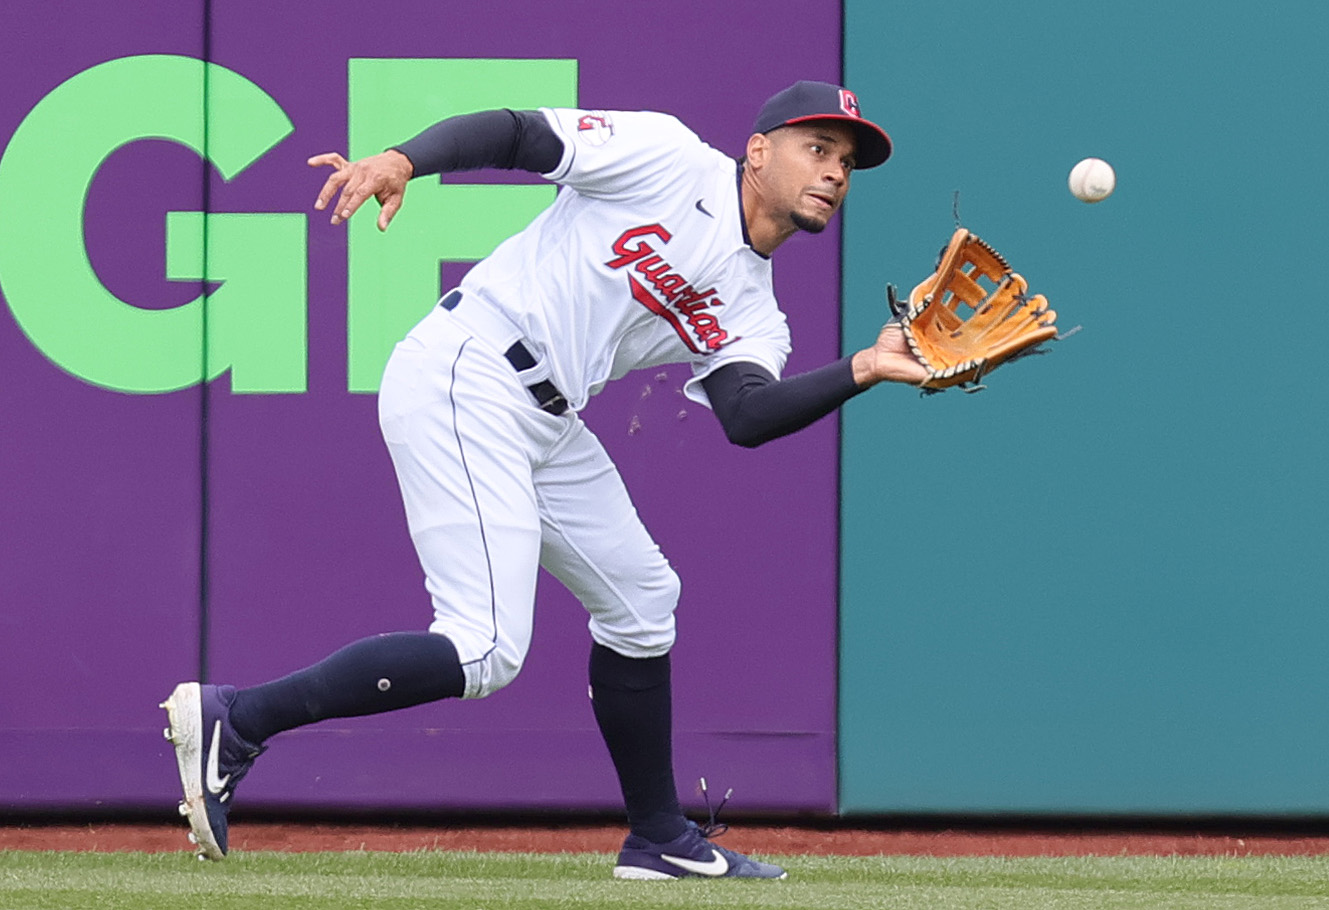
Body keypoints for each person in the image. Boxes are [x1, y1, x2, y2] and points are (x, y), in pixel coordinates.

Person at [161, 80, 930, 880]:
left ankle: (659, 839)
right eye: (818, 149)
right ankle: (238, 718)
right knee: (484, 648)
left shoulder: (753, 310)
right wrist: (403, 160)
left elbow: (747, 414)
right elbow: (518, 133)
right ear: (759, 150)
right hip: (471, 367)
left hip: (548, 419)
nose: (835, 172)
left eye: (846, 162)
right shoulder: (667, 158)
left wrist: (864, 367)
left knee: (641, 601)